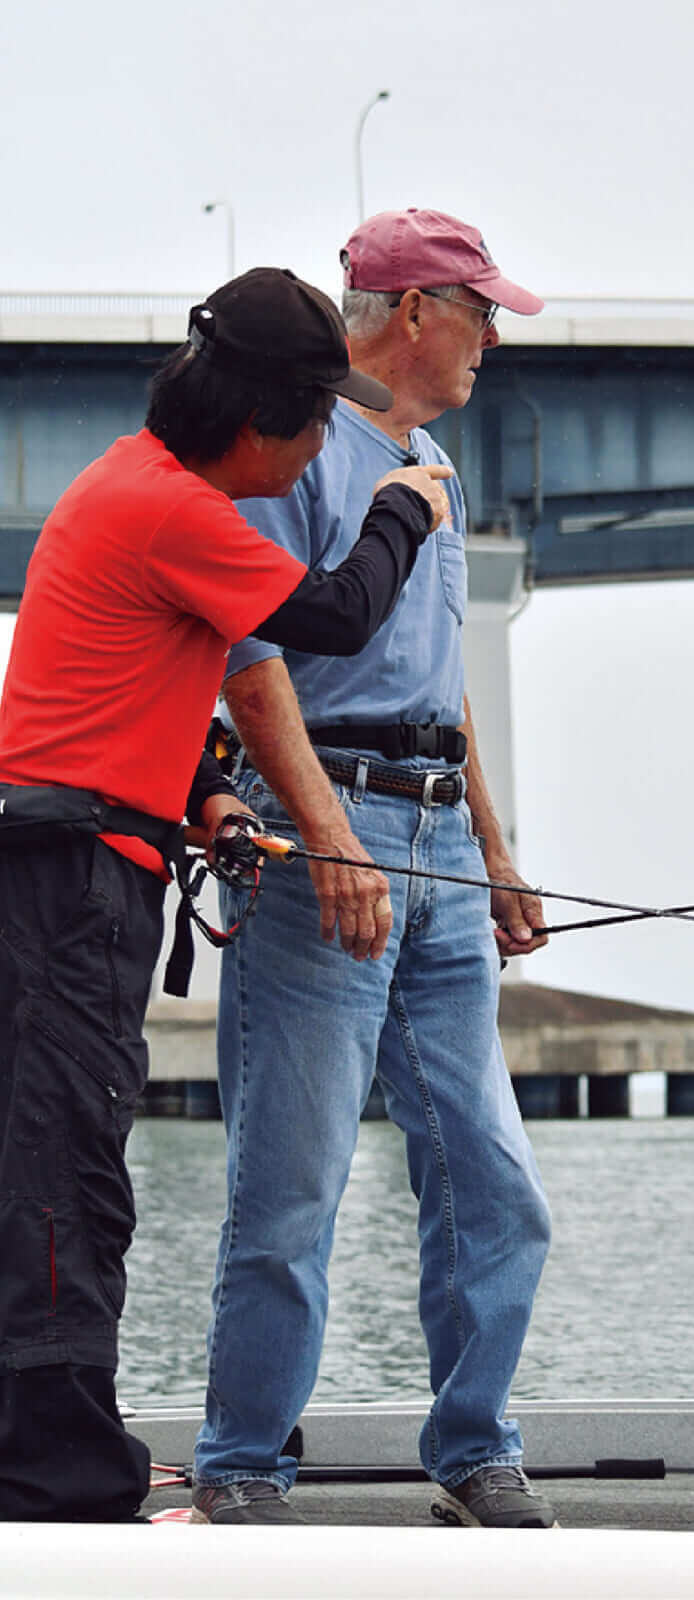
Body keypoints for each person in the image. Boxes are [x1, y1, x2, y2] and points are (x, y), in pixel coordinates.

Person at [0, 265, 452, 1522]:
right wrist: (400, 509)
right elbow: (335, 616)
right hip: (69, 887)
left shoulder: (134, 486)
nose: (322, 450)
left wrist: (207, 793)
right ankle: (54, 1480)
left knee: (51, 1154)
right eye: (318, 424)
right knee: (65, 1170)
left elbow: (113, 684)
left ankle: (48, 1448)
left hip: (74, 865)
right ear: (262, 422)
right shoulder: (172, 507)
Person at [193, 210, 556, 1529]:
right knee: (292, 1183)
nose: (493, 339)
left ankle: (474, 1448)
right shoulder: (295, 447)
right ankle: (242, 1463)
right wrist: (332, 841)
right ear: (414, 311)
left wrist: (497, 854)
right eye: (483, 311)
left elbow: (442, 685)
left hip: (442, 843)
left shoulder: (436, 462)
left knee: (493, 1181)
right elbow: (251, 667)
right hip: (317, 838)